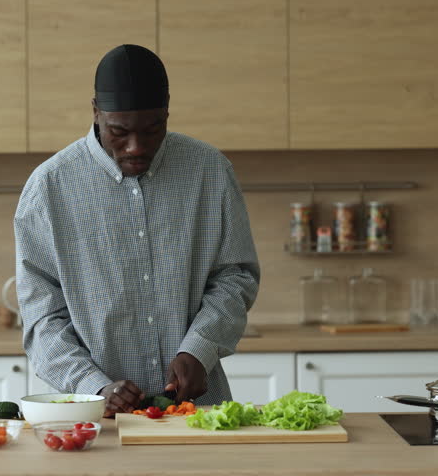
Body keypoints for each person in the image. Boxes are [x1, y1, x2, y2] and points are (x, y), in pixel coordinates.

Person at [14, 44, 260, 417]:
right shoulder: (49, 188)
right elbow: (42, 318)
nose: (136, 146)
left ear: (167, 112)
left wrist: (199, 348)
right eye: (119, 131)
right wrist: (92, 386)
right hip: (92, 418)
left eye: (152, 129)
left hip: (196, 414)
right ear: (96, 112)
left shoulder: (210, 171)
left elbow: (236, 276)